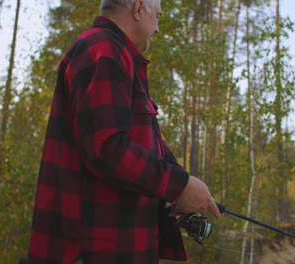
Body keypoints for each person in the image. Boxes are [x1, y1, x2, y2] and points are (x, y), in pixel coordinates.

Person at [27, 0, 220, 263]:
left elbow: (147, 147)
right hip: (94, 250)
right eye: (158, 16)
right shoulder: (104, 49)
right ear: (139, 8)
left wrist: (178, 187)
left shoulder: (115, 54)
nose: (158, 28)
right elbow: (107, 148)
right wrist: (179, 186)